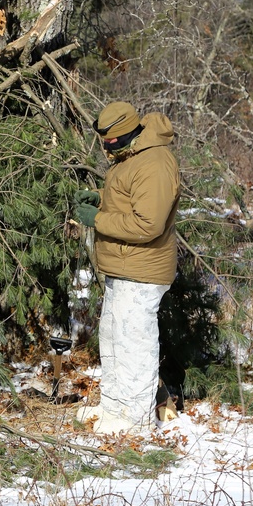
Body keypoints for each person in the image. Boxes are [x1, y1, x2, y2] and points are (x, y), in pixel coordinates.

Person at [72, 101, 180, 433]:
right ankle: (114, 411)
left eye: (109, 142)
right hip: (122, 266)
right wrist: (100, 198)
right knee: (114, 339)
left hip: (143, 270)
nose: (105, 148)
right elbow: (127, 198)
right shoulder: (132, 156)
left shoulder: (156, 163)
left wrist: (98, 219)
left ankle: (135, 422)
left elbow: (148, 224)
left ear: (124, 135)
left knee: (134, 345)